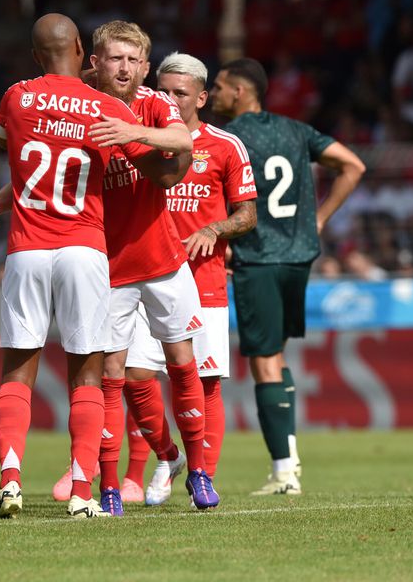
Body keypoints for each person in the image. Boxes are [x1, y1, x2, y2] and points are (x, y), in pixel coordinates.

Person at [0, 13, 183, 519]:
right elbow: (162, 165)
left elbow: (11, 143)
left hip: (26, 248)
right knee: (87, 374)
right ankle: (84, 493)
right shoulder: (106, 108)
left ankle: (9, 479)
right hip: (84, 249)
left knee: (17, 371)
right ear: (80, 51)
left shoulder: (16, 96)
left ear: (34, 54)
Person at [210, 57, 365, 495]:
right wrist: (319, 219)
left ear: (240, 92)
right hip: (299, 256)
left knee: (262, 361)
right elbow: (353, 165)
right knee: (275, 356)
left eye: (219, 87)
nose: (214, 94)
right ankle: (289, 461)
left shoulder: (226, 138)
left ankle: (283, 472)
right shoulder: (297, 130)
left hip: (257, 255)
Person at [79, 21, 215, 516]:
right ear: (95, 62)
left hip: (162, 261)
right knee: (113, 375)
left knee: (184, 364)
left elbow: (182, 142)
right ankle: (111, 487)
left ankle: (198, 472)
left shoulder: (156, 102)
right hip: (107, 266)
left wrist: (129, 131)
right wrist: (3, 204)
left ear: (145, 65)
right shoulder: (79, 107)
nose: (126, 68)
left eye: (134, 60)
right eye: (115, 58)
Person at [118, 52, 258, 508]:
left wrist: (213, 229)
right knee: (134, 375)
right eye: (165, 91)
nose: (171, 100)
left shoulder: (224, 146)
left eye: (182, 93)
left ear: (201, 96)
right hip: (143, 272)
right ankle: (168, 454)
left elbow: (248, 214)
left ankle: (204, 476)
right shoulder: (138, 137)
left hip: (203, 279)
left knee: (206, 379)